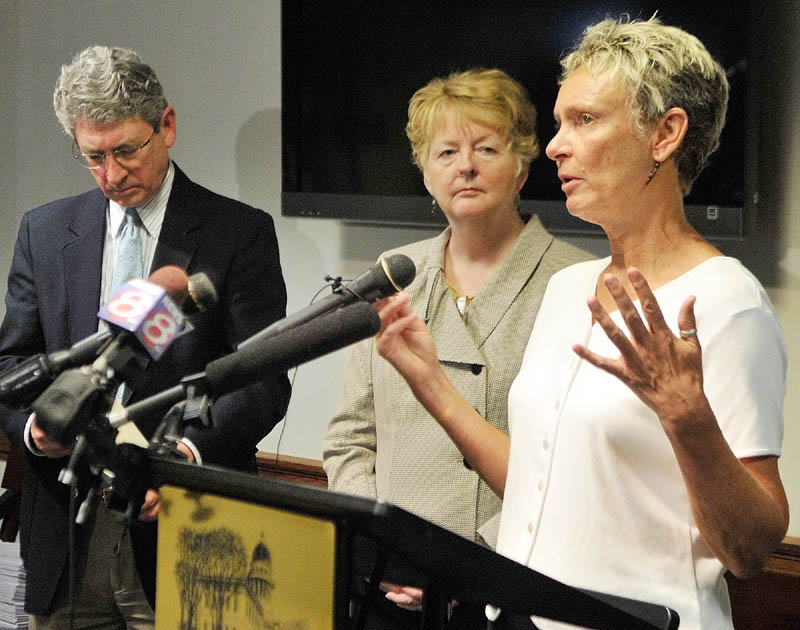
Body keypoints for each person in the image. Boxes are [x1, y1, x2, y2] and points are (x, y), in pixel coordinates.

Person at [373, 17, 789, 630]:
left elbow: (750, 550)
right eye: (562, 121)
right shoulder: (567, 289)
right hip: (516, 617)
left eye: (585, 120)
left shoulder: (726, 300)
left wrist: (686, 416)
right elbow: (541, 486)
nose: (553, 146)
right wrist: (431, 383)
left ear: (666, 134)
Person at [0, 46, 291, 629]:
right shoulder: (44, 229)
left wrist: (179, 459)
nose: (111, 175)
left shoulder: (239, 233)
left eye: (126, 151)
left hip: (189, 527)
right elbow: (12, 365)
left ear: (168, 126)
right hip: (67, 532)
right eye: (94, 157)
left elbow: (260, 381)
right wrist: (36, 430)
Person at [322, 68, 591, 627]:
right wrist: (382, 547)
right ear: (425, 172)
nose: (464, 166)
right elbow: (351, 437)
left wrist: (459, 566)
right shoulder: (390, 278)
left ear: (522, 163)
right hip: (386, 590)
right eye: (445, 152)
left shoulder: (577, 283)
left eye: (486, 148)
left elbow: (575, 468)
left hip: (509, 590)